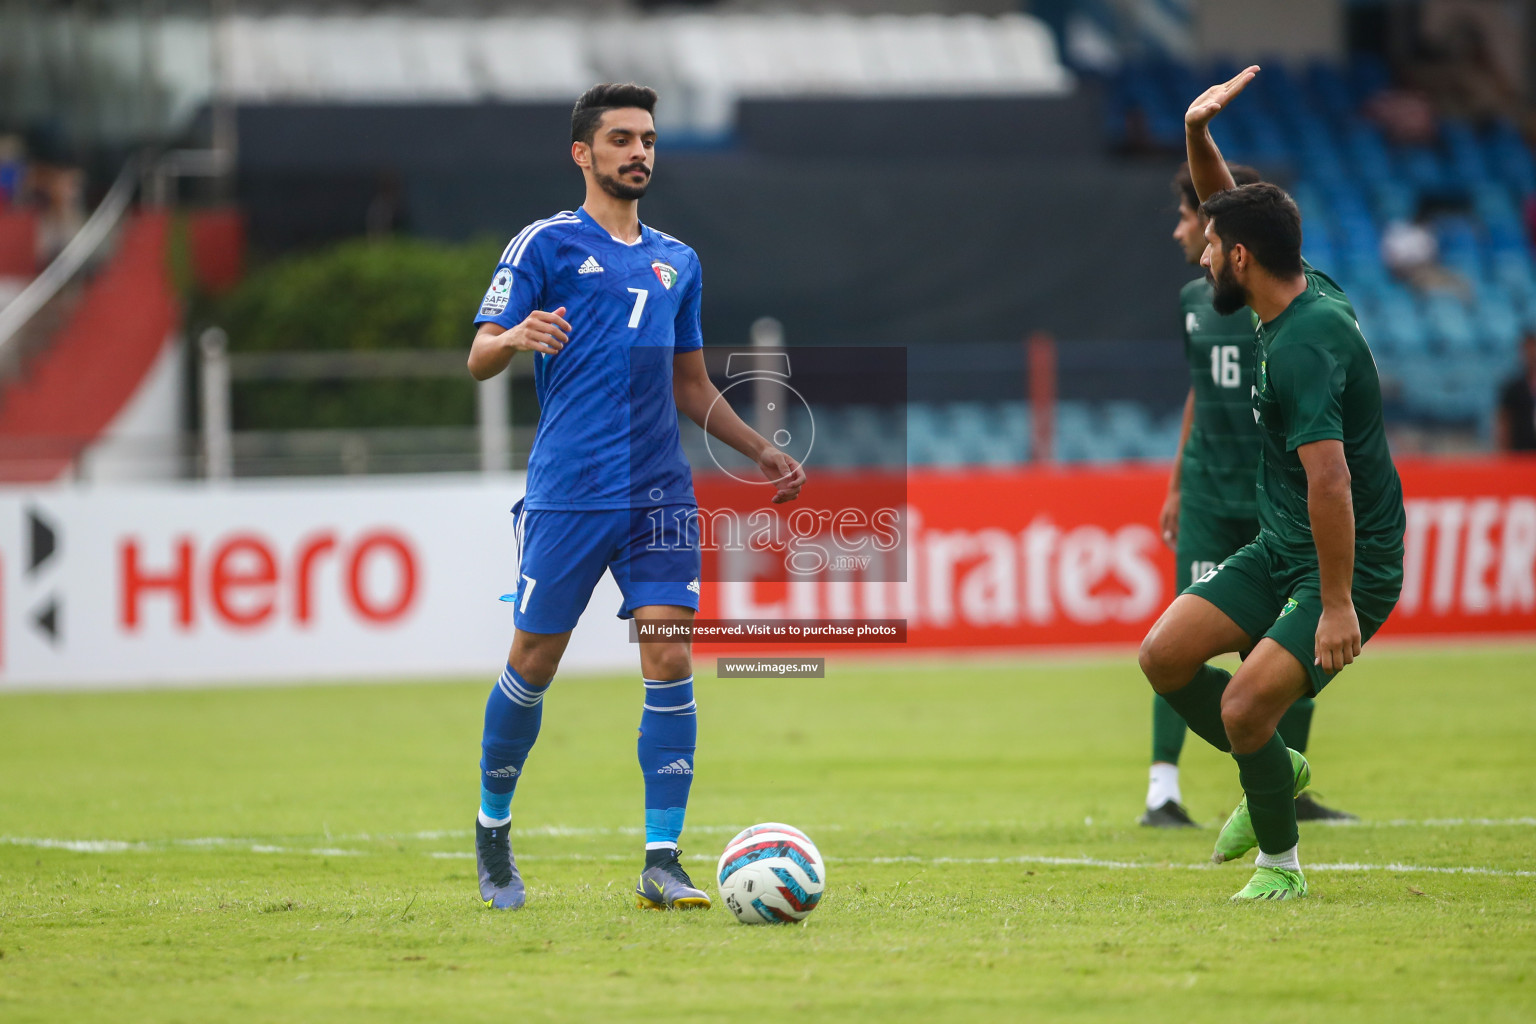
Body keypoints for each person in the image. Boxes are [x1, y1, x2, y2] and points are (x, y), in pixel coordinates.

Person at [466, 83, 806, 911]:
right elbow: (479, 355)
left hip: (659, 493)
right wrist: (513, 336)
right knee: (534, 661)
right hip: (570, 493)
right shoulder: (544, 244)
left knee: (669, 654)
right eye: (621, 139)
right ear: (583, 153)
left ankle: (663, 858)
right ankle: (492, 830)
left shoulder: (678, 261)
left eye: (648, 139)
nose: (639, 152)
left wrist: (760, 448)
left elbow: (690, 384)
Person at [1138, 66, 1406, 901]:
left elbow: (1330, 483)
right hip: (1282, 541)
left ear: (1241, 260)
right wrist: (1196, 136)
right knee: (1164, 656)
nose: (1203, 251)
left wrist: (1334, 604)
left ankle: (1281, 869)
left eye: (1214, 247)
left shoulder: (1300, 347)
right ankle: (1276, 768)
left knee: (1244, 709)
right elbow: (1234, 211)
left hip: (1347, 561)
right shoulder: (1298, 293)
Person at [1142, 163, 1356, 828]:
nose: (1184, 233)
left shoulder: (1285, 310)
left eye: (1192, 219)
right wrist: (1177, 480)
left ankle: (1282, 783)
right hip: (1210, 495)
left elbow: (1329, 468)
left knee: (1281, 648)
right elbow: (1198, 394)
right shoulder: (1194, 303)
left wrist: (1202, 143)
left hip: (1270, 501)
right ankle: (1163, 791)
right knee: (1175, 641)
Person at [1495, 332, 1536, 452]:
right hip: (1521, 452)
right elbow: (1505, 421)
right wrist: (1505, 449)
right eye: (1529, 350)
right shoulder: (1513, 388)